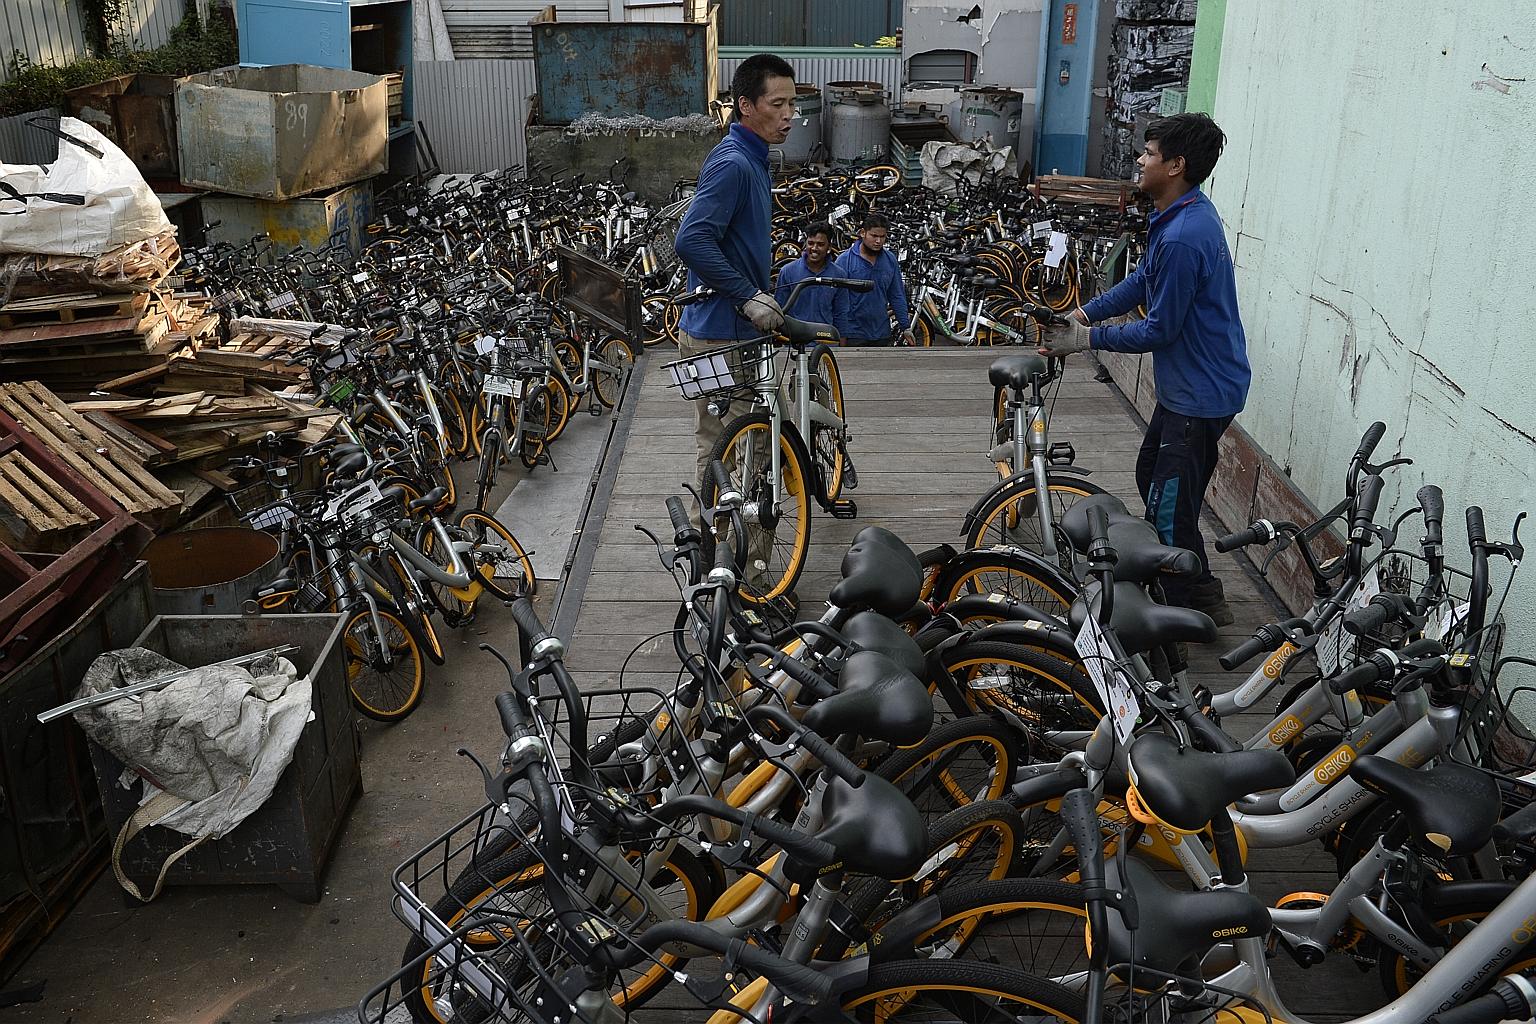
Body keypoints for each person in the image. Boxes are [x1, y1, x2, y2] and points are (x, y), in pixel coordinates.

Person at [1037, 112, 1250, 625]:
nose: (1139, 160)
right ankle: (1199, 588)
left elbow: (1159, 331)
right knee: (1154, 475)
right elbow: (1140, 282)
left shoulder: (1183, 236)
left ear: (1175, 165)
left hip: (1201, 393)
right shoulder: (1181, 214)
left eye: (1149, 154)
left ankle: (1181, 616)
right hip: (1194, 388)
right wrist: (1083, 313)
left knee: (1168, 506)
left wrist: (1087, 340)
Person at [672, 52, 796, 486]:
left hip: (726, 329)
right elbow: (690, 241)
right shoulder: (734, 164)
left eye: (792, 104)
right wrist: (747, 295)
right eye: (776, 104)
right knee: (749, 448)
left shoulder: (753, 158)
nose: (788, 115)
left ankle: (710, 548)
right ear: (746, 105)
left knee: (723, 447)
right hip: (723, 334)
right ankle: (735, 552)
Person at [831, 213, 914, 347]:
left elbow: (897, 295)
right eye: (874, 236)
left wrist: (906, 327)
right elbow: (837, 301)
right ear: (863, 233)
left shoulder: (890, 260)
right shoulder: (845, 260)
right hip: (853, 334)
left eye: (882, 237)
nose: (878, 241)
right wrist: (841, 335)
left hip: (882, 333)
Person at [774, 222, 840, 334]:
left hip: (827, 341)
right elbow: (779, 310)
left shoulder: (839, 274)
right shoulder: (787, 271)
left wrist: (842, 348)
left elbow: (841, 313)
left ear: (829, 247)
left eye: (820, 244)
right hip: (794, 341)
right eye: (810, 243)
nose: (814, 248)